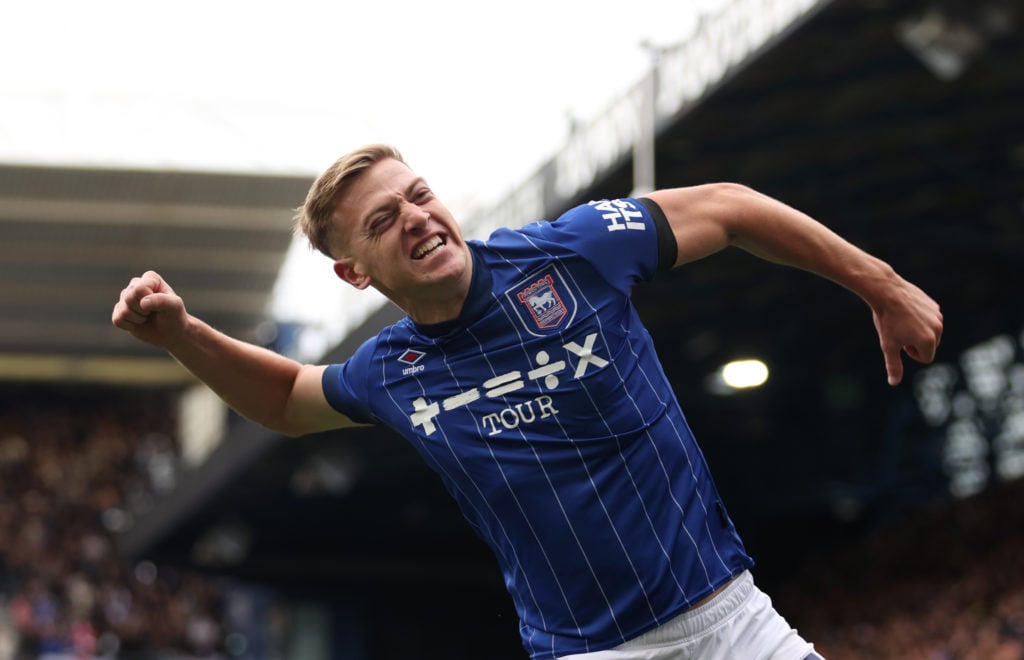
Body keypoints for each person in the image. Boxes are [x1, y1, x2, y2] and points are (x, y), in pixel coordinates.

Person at [112, 144, 942, 659]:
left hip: (735, 620)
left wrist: (884, 284)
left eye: (419, 194)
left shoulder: (572, 254)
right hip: (591, 652)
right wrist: (184, 332)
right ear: (355, 272)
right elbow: (291, 397)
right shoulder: (389, 369)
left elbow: (727, 208)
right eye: (382, 220)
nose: (417, 217)